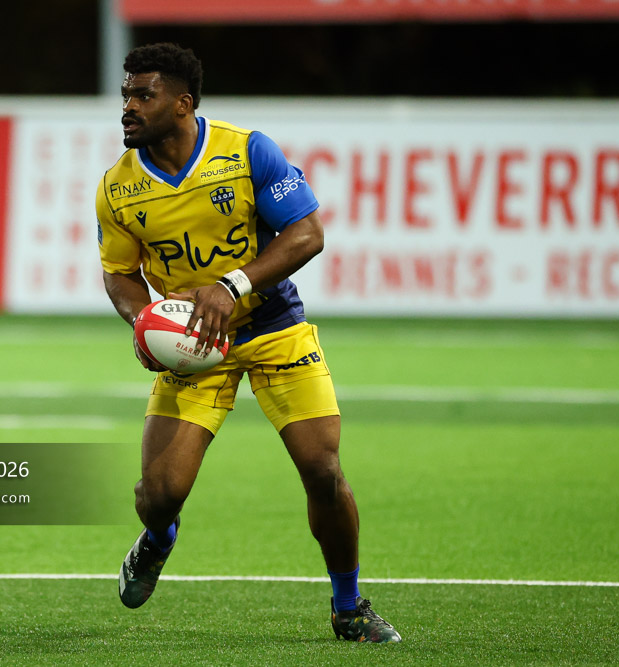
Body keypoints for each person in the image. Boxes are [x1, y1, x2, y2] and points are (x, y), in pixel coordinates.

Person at [96, 42, 401, 644]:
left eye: (142, 95)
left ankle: (349, 606)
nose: (127, 107)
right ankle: (158, 539)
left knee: (323, 469)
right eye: (125, 94)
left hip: (274, 329)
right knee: (159, 496)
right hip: (194, 345)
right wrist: (143, 320)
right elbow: (118, 272)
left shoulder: (246, 151)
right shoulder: (117, 188)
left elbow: (307, 233)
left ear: (183, 104)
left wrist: (231, 286)